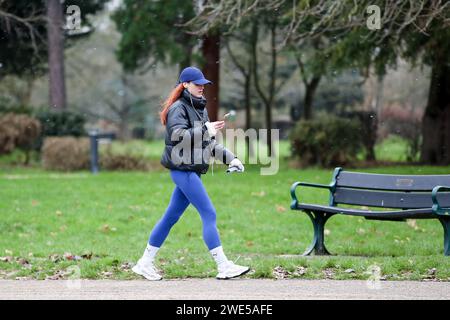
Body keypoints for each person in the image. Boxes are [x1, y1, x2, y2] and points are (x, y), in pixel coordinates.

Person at [132, 66, 250, 281]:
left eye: (203, 84)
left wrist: (231, 158)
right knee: (209, 213)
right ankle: (223, 266)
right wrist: (206, 130)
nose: (201, 88)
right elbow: (178, 136)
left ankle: (144, 263)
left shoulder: (199, 109)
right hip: (182, 169)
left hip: (188, 170)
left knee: (170, 218)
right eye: (197, 84)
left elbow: (206, 142)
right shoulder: (178, 108)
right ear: (185, 84)